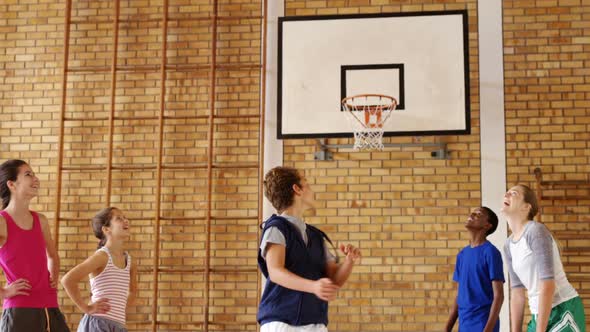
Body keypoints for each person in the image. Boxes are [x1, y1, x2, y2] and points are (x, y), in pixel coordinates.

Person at [257, 166, 361, 332]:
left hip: (315, 323)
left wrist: (349, 261)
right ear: (297, 189)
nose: (311, 189)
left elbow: (333, 280)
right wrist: (313, 286)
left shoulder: (316, 236)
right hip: (281, 323)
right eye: (307, 184)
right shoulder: (276, 229)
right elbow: (275, 272)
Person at [502, 184, 586, 332]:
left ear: (526, 207)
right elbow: (517, 292)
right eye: (507, 192)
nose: (506, 195)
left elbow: (547, 285)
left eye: (513, 193)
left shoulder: (535, 231)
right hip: (538, 314)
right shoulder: (508, 244)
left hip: (562, 307)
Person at [0, 159, 70, 331]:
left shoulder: (41, 220)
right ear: (12, 184)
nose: (35, 178)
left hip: (49, 305)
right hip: (20, 309)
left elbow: (52, 256)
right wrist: (4, 292)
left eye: (34, 174)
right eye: (28, 174)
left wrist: (52, 278)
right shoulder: (2, 221)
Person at [61, 207, 137, 332]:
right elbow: (67, 280)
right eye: (119, 218)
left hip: (118, 326)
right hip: (97, 324)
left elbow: (133, 292)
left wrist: (117, 310)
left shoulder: (130, 262)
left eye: (125, 218)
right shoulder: (102, 257)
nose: (126, 221)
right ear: (106, 229)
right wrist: (87, 308)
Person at [445, 207, 505, 332]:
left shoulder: (491, 252)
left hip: (483, 324)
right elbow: (459, 296)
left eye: (478, 214)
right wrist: (447, 328)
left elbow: (498, 295)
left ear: (487, 225)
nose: (472, 214)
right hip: (464, 325)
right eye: (472, 212)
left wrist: (487, 330)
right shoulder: (462, 255)